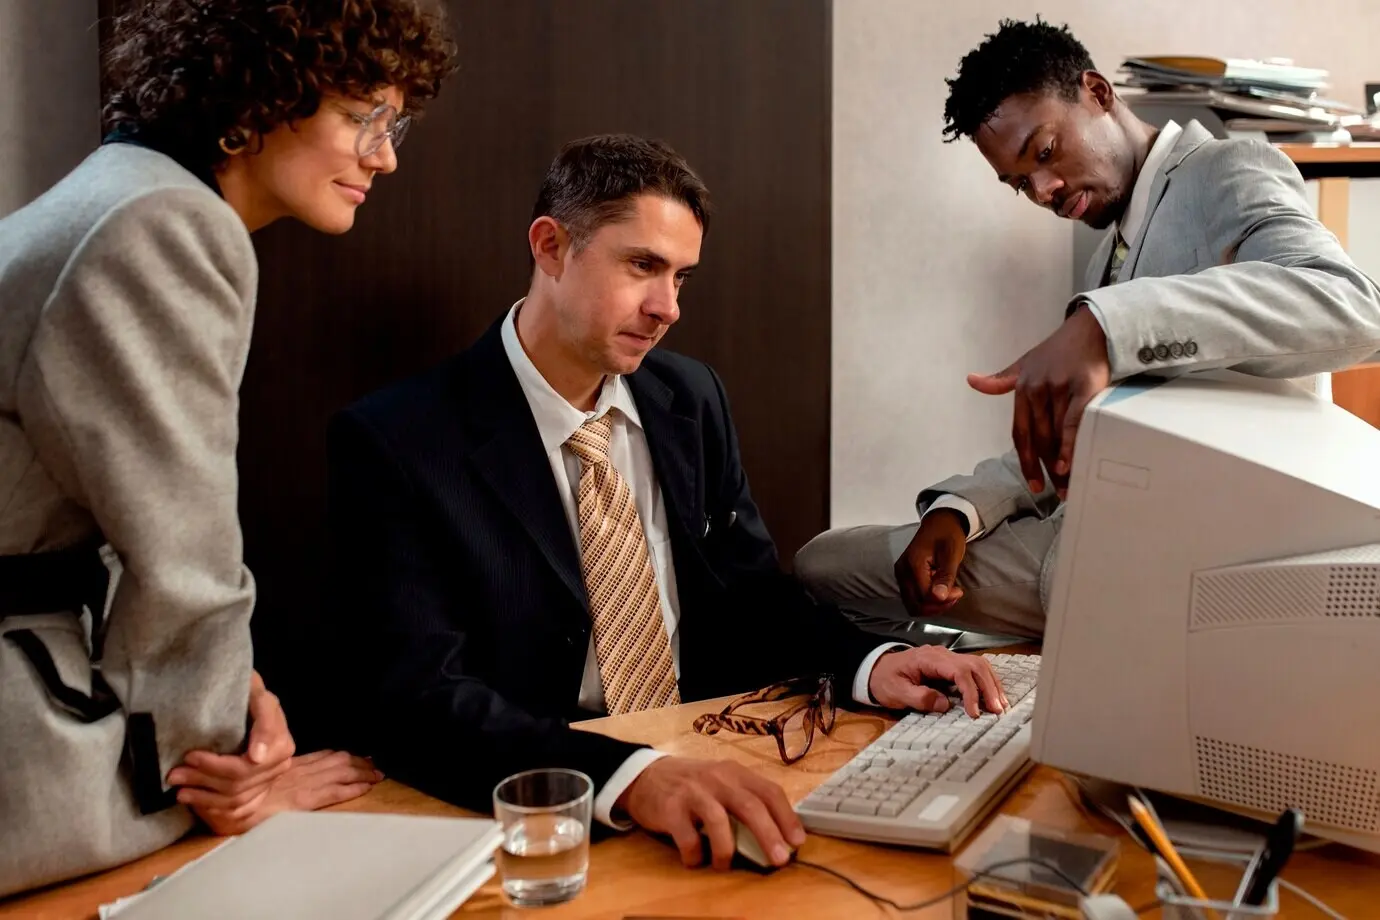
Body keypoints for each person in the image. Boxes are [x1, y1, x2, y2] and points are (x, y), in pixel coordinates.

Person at [327, 133, 1007, 872]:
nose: (668, 308)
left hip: (716, 759)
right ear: (551, 247)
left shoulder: (691, 397)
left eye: (682, 277)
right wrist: (629, 777)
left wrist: (873, 663)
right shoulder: (397, 439)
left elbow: (749, 598)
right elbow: (420, 697)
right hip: (550, 805)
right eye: (643, 266)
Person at [0, 0, 456, 897]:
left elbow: (133, 526)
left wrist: (231, 695)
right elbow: (184, 561)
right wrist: (227, 770)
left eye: (393, 125)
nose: (386, 156)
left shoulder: (118, 193)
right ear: (258, 97)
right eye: (362, 116)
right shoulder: (165, 224)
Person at [794, 17, 1380, 641]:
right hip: (1092, 529)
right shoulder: (1105, 254)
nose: (1043, 190)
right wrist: (960, 509)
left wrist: (1109, 325)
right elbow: (1078, 436)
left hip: (1187, 554)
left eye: (1045, 152)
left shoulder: (1226, 168)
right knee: (827, 559)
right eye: (1020, 183)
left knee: (825, 574)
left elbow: (1353, 306)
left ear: (1097, 93)